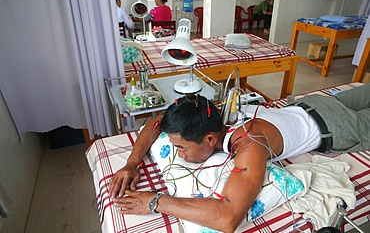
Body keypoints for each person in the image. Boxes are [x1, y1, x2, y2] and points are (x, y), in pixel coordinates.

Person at [108, 84, 370, 233]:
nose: (181, 155)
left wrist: (156, 202)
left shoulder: (250, 146)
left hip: (338, 124)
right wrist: (132, 163)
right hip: (312, 103)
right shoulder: (214, 112)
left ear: (210, 140)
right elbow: (156, 123)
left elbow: (228, 217)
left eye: (182, 148)